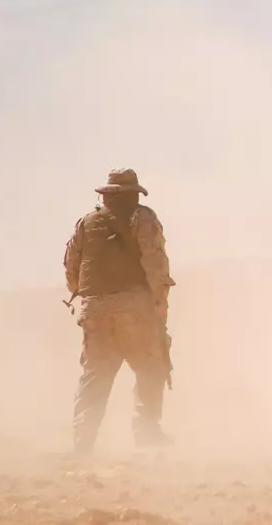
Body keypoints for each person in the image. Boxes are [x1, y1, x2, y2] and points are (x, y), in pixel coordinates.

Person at [63, 168, 175, 454]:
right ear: (134, 193)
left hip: (94, 308)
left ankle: (83, 442)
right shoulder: (143, 218)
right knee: (151, 366)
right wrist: (160, 302)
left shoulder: (86, 223)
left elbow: (72, 268)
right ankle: (146, 432)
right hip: (134, 307)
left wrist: (91, 298)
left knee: (95, 374)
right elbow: (155, 262)